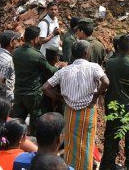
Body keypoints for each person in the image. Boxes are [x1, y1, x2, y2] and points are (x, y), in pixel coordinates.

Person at [43, 41, 108, 170]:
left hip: (70, 111)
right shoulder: (94, 67)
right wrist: (96, 95)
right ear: (86, 53)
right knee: (87, 143)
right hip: (88, 111)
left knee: (70, 143)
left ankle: (69, 167)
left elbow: (45, 88)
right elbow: (106, 82)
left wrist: (60, 98)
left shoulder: (64, 71)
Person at [99, 35, 129, 170]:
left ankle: (107, 166)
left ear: (117, 47)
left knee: (111, 141)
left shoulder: (109, 63)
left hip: (114, 108)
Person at [11, 26, 58, 134]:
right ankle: (34, 143)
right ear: (34, 39)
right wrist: (59, 67)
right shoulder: (36, 55)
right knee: (36, 121)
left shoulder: (16, 53)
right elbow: (50, 70)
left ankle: (14, 144)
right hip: (33, 94)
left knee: (17, 122)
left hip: (18, 92)